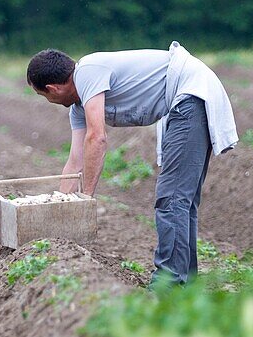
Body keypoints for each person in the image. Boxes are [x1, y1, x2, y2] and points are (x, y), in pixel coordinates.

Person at [26, 42, 237, 287]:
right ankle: (185, 283)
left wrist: (85, 198)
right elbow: (75, 162)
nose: (47, 100)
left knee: (173, 198)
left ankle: (169, 284)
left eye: (43, 95)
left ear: (52, 88)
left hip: (191, 93)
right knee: (181, 200)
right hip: (186, 98)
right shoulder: (78, 108)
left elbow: (97, 137)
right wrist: (59, 208)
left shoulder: (87, 72)